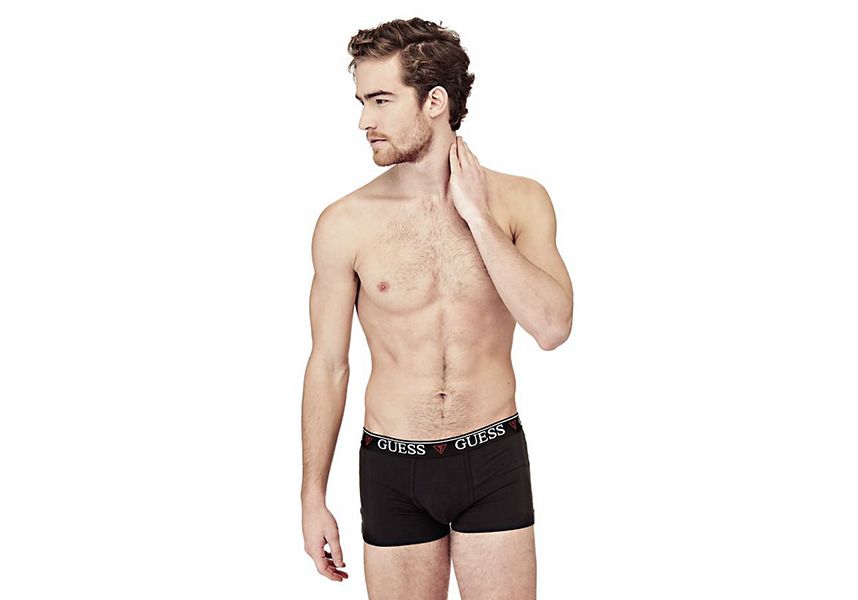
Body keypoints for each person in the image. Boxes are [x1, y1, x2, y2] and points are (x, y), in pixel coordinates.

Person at [301, 17, 573, 599]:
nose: (364, 121)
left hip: (491, 454)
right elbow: (328, 364)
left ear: (434, 102)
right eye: (361, 101)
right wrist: (312, 495)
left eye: (381, 100)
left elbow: (552, 327)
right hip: (392, 467)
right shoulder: (344, 223)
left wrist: (476, 215)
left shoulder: (520, 201)